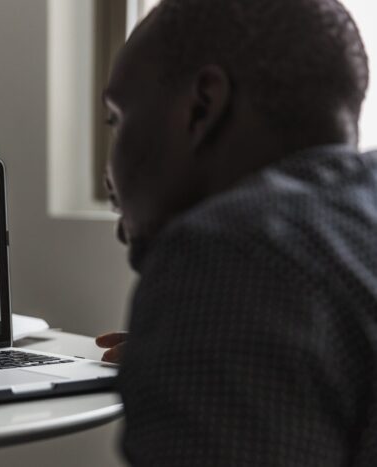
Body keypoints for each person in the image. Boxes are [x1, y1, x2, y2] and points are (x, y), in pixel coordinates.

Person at [95, 0, 377, 464]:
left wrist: (203, 313)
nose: (110, 174)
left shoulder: (228, 256)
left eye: (117, 120)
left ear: (202, 106)